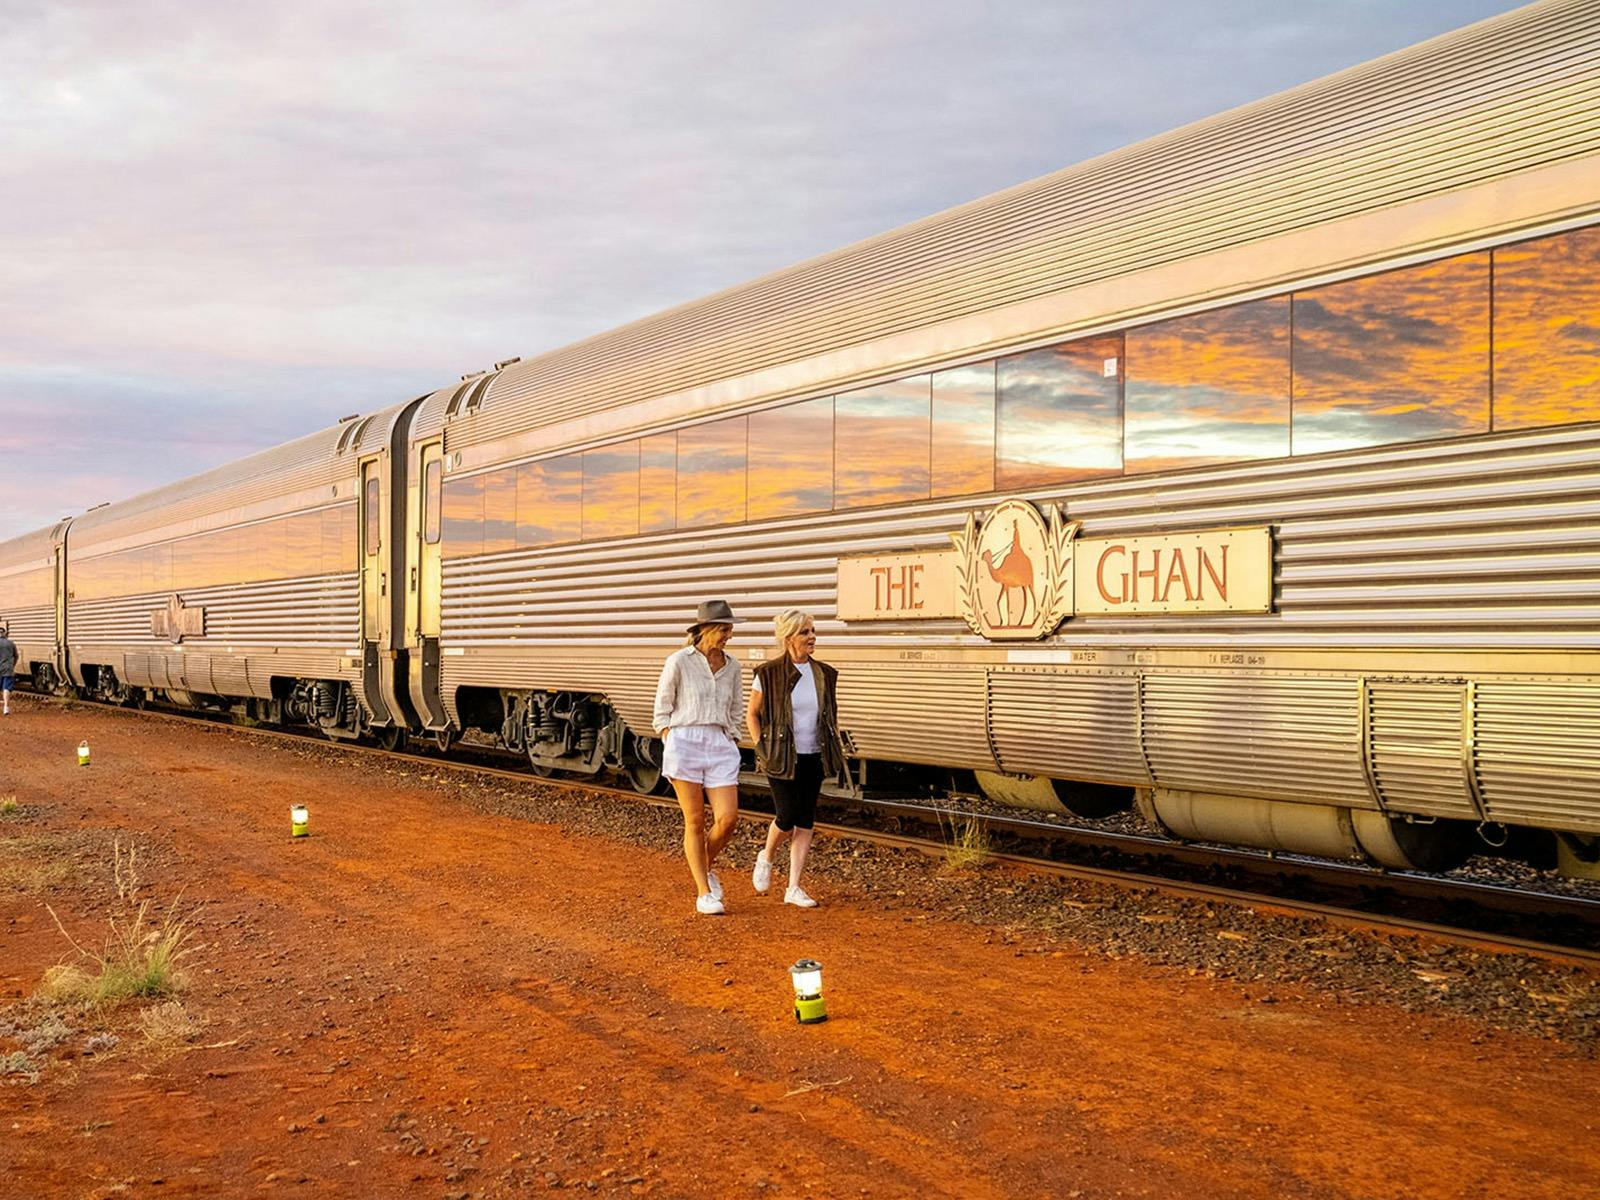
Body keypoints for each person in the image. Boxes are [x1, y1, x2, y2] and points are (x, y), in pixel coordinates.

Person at [653, 600, 746, 915]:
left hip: (719, 743)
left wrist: (732, 737)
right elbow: (662, 708)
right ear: (705, 629)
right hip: (685, 741)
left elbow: (736, 708)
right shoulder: (679, 661)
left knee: (728, 819)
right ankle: (704, 892)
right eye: (723, 629)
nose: (728, 635)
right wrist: (671, 739)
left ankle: (703, 866)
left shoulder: (733, 666)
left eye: (730, 629)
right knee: (694, 820)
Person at [746, 609, 843, 908]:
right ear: (788, 638)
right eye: (805, 632)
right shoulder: (768, 673)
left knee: (806, 819)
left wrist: (834, 745)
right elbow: (752, 713)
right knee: (787, 815)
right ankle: (767, 856)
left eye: (813, 631)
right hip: (781, 755)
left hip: (813, 753)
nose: (812, 637)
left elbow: (830, 716)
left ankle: (794, 887)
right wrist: (761, 747)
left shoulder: (824, 673)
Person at [0, 626, 16, 716]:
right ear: (5, 633)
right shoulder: (11, 643)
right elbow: (16, 656)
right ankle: (6, 708)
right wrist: (12, 665)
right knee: (6, 689)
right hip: (8, 669)